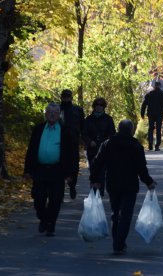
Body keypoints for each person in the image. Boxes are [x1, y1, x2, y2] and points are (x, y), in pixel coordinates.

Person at [90, 119, 157, 255]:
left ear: (118, 129)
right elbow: (141, 168)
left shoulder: (108, 143)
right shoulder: (135, 145)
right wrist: (149, 182)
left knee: (115, 213)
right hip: (130, 184)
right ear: (131, 130)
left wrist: (95, 179)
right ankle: (119, 243)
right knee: (126, 214)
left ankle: (117, 242)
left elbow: (97, 162)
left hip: (113, 183)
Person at [24, 103, 79, 236]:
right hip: (40, 169)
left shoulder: (66, 131)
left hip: (57, 170)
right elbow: (31, 150)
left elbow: (72, 154)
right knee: (38, 198)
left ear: (59, 114)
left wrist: (71, 174)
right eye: (50, 112)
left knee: (55, 199)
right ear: (46, 114)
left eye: (55, 112)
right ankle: (43, 218)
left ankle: (51, 224)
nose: (52, 114)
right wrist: (27, 170)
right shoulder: (38, 129)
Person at [82, 97, 116, 197]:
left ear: (104, 107)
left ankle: (99, 193)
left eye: (101, 105)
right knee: (93, 171)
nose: (99, 107)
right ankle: (93, 191)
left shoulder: (108, 119)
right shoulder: (88, 119)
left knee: (102, 172)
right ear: (94, 106)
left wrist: (106, 143)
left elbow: (112, 134)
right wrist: (89, 141)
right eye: (97, 105)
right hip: (92, 150)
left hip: (104, 150)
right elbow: (83, 134)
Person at [60, 89, 85, 199]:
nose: (66, 98)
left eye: (68, 96)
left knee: (74, 166)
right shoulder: (57, 109)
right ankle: (59, 191)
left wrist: (83, 139)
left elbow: (83, 125)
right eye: (64, 96)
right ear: (62, 97)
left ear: (71, 97)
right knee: (60, 166)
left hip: (73, 142)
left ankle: (72, 186)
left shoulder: (77, 110)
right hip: (59, 142)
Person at [140, 82, 163, 151]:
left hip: (151, 114)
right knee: (158, 129)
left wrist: (142, 114)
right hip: (159, 114)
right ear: (160, 86)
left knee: (150, 129)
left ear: (154, 86)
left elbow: (144, 105)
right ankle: (157, 146)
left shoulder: (149, 94)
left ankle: (150, 144)